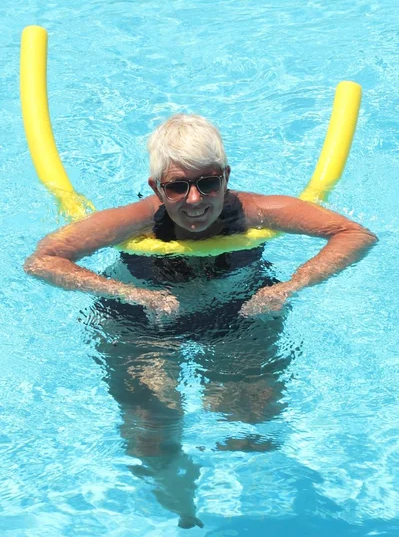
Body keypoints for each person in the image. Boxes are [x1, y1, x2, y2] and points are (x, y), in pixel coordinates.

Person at [24, 114, 377, 528]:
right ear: (158, 188)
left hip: (239, 316)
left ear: (225, 178)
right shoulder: (136, 218)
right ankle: (181, 511)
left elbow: (355, 234)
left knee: (250, 431)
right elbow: (42, 261)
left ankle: (243, 519)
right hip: (141, 322)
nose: (195, 200)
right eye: (177, 186)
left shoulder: (257, 211)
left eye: (208, 182)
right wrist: (132, 293)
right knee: (151, 438)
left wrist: (289, 287)